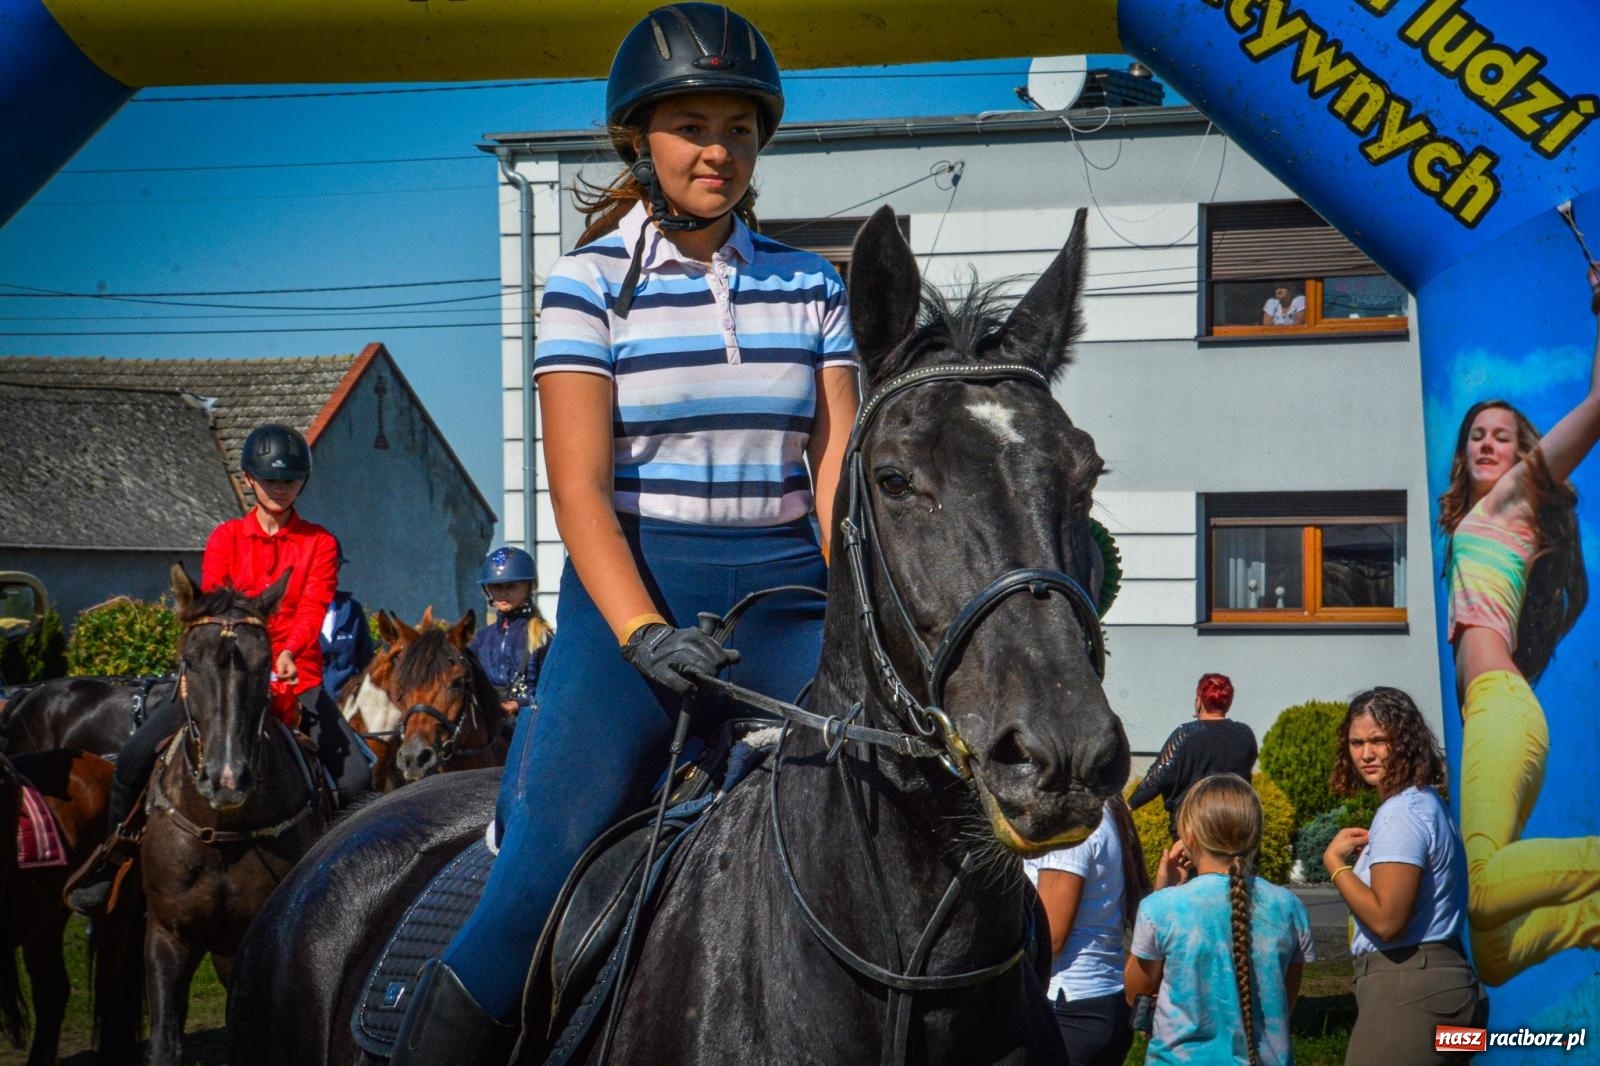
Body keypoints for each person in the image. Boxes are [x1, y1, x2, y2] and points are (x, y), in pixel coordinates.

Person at [387, 6, 859, 1062]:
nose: (717, 149)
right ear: (637, 140)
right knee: (540, 867)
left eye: (738, 127)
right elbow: (579, 489)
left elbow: (833, 479)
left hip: (790, 608)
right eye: (691, 125)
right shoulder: (587, 284)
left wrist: (860, 623)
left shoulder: (813, 284)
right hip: (629, 607)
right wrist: (645, 632)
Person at [67, 423, 375, 916]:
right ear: (248, 481)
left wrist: (287, 651)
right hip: (219, 680)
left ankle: (343, 880)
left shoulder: (320, 543)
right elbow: (212, 611)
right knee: (133, 756)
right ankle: (115, 860)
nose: (281, 489)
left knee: (358, 774)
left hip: (297, 675)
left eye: (291, 481)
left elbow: (313, 606)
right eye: (271, 481)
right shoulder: (226, 538)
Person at [1439, 265, 1600, 986]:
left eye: (1502, 437)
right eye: (1476, 434)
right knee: (1496, 953)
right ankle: (1588, 921)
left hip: (1502, 710)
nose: (1486, 445)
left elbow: (1599, 403)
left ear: (1521, 455)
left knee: (1483, 889)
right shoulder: (1474, 524)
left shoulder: (1512, 498)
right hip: (1492, 717)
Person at [1323, 687, 1487, 1064]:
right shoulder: (1428, 802)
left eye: (1379, 740)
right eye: (1356, 742)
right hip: (1447, 988)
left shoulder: (1400, 813)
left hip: (1409, 989)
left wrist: (1335, 865)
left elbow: (1386, 920)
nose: (1366, 754)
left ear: (1405, 740)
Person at [1125, 773, 1314, 1066]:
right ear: (1255, 834)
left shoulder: (1161, 908)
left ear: (1187, 836)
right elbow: (1283, 1004)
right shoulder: (1288, 907)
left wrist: (1164, 889)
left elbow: (1134, 992)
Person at [1025, 795, 1150, 1066]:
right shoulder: (1101, 806)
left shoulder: (1068, 816)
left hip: (1070, 1008)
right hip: (1102, 1002)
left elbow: (1051, 937)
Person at [1129, 673, 1258, 837]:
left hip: (1193, 832)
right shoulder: (1245, 735)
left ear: (1199, 701)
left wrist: (1129, 805)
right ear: (1229, 703)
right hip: (1236, 829)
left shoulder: (1186, 734)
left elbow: (1157, 778)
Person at [469, 546, 553, 718]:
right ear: (488, 590)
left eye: (512, 586)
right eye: (497, 586)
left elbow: (554, 690)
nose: (503, 593)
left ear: (529, 587)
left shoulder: (543, 638)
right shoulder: (480, 639)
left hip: (527, 722)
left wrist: (520, 703)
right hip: (489, 720)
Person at [320, 544, 375, 701]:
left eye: (335, 568)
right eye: (325, 567)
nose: (332, 574)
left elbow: (367, 660)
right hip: (308, 707)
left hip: (346, 705)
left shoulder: (352, 610)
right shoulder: (296, 611)